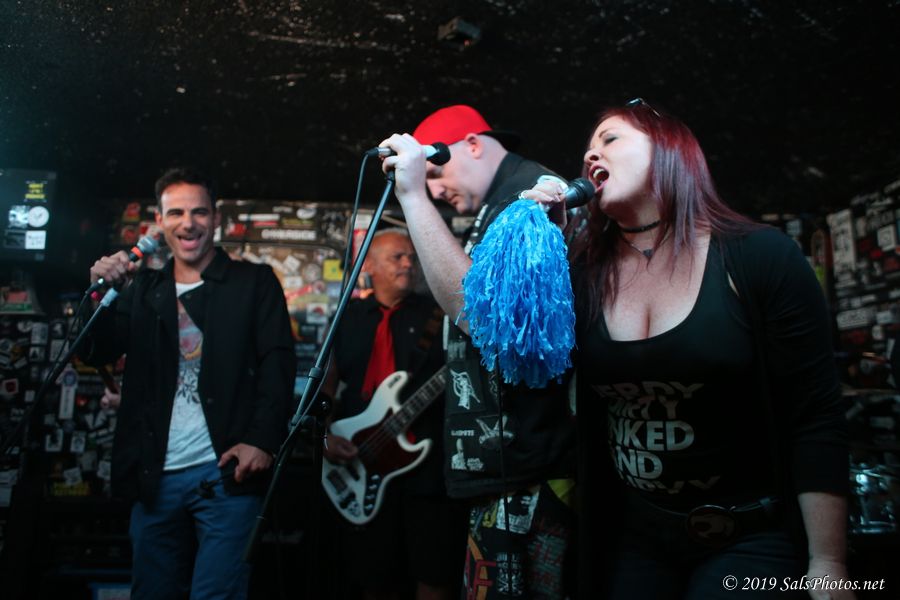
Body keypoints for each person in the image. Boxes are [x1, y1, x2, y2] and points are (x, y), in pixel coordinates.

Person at [522, 98, 851, 599]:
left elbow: (815, 414)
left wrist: (828, 562)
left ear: (670, 150)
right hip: (633, 536)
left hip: (747, 533)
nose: (590, 155)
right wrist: (543, 248)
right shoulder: (581, 274)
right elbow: (512, 343)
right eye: (587, 149)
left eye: (610, 138)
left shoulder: (759, 256)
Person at [378, 106, 576, 598]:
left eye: (436, 173)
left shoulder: (528, 195)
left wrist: (412, 197)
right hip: (505, 470)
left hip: (532, 473)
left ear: (471, 144)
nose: (435, 189)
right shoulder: (497, 203)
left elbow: (483, 317)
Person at [83, 167, 296, 600]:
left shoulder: (253, 283)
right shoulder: (144, 289)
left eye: (199, 212)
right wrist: (99, 294)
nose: (188, 223)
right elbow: (94, 351)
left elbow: (278, 365)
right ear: (159, 222)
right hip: (154, 477)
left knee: (217, 594)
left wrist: (262, 440)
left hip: (225, 475)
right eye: (176, 213)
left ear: (216, 218)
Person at [322, 228, 466, 600]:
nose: (408, 264)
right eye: (397, 257)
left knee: (434, 569)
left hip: (428, 468)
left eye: (412, 257)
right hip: (358, 460)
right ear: (368, 266)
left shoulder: (439, 313)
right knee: (372, 575)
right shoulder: (347, 317)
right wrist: (324, 435)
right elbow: (325, 386)